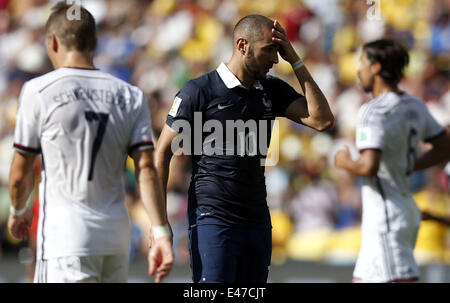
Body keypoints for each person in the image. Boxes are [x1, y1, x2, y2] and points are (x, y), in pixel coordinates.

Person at [155, 14, 334, 283]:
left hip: (256, 219)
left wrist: (294, 58)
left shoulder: (272, 90)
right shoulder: (199, 91)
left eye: (278, 50)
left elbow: (322, 120)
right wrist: (160, 225)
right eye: (269, 50)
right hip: (212, 219)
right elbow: (161, 153)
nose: (275, 59)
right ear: (242, 45)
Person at [7, 2, 174, 283]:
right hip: (114, 237)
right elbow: (146, 168)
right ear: (94, 42)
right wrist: (160, 231)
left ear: (52, 41)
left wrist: (17, 211)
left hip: (66, 239)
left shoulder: (38, 91)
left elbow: (20, 173)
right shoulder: (130, 95)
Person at [334, 39, 450, 283]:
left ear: (376, 67)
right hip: (400, 210)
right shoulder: (415, 105)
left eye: (362, 62)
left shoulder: (372, 110)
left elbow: (368, 166)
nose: (358, 70)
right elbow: (444, 147)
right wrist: (409, 165)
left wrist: (343, 161)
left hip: (385, 217)